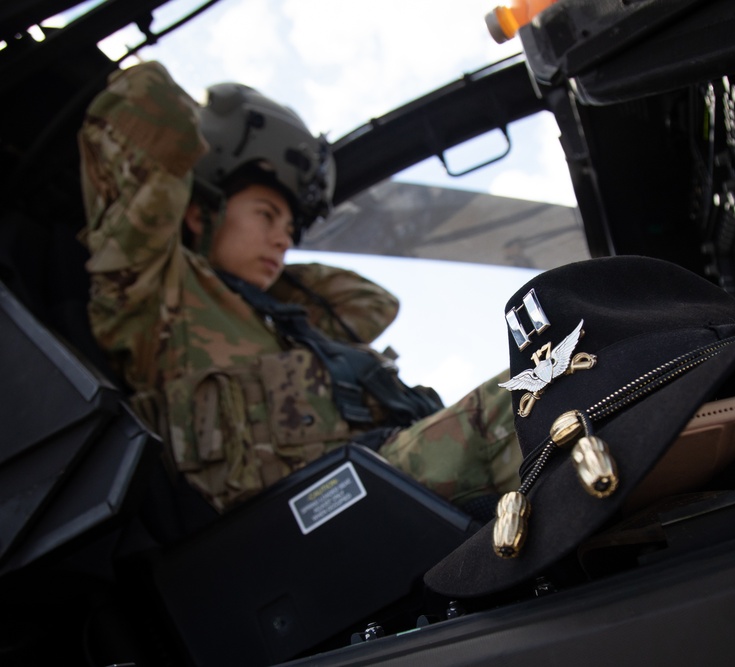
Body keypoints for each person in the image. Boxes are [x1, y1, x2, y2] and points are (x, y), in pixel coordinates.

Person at [79, 60, 520, 514]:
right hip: (313, 510)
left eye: (290, 232)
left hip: (374, 477)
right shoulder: (156, 289)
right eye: (266, 216)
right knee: (535, 396)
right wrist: (220, 126)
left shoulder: (281, 320)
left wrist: (269, 276)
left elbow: (373, 304)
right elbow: (143, 93)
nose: (281, 241)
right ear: (199, 213)